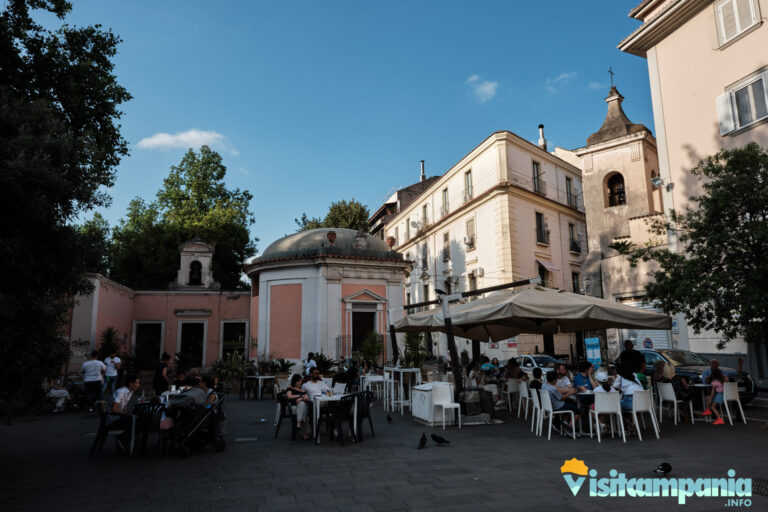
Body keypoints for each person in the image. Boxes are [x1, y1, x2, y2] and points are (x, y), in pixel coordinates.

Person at [542, 371, 580, 436]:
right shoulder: (553, 389)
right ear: (554, 380)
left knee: (569, 404)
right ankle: (569, 428)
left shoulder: (544, 385)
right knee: (578, 411)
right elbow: (562, 398)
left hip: (550, 406)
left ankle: (564, 424)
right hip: (558, 406)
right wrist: (570, 393)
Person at [111, 374, 142, 452]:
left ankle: (128, 443)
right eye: (137, 383)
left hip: (119, 417)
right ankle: (124, 442)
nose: (138, 385)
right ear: (131, 384)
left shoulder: (130, 392)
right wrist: (126, 414)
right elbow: (114, 409)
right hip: (113, 419)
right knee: (133, 421)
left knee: (139, 421)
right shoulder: (121, 392)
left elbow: (124, 406)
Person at [286, 374, 310, 439]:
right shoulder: (290, 388)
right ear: (294, 381)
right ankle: (304, 433)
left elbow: (307, 398)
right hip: (294, 406)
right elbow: (289, 396)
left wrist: (301, 399)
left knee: (302, 404)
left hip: (302, 406)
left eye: (301, 381)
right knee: (304, 408)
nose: (299, 383)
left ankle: (298, 422)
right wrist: (300, 396)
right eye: (298, 381)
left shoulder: (303, 390)